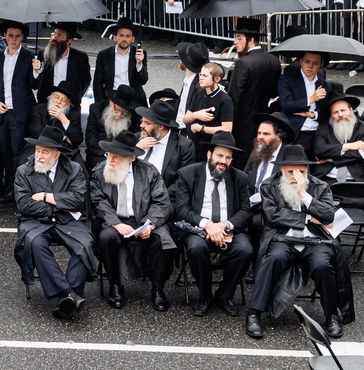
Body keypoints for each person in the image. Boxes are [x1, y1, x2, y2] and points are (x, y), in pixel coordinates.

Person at [245, 144, 343, 340]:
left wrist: (304, 195)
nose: (296, 177)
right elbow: (273, 215)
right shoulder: (269, 185)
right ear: (282, 169)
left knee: (323, 265)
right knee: (273, 258)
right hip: (283, 239)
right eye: (291, 172)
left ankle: (332, 315)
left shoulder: (320, 186)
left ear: (306, 170)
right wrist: (308, 218)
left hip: (314, 241)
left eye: (301, 172)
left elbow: (328, 215)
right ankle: (254, 313)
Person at [14, 125, 95, 320]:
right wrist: (58, 206)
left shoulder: (73, 169)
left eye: (45, 152)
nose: (39, 156)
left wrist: (45, 196)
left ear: (57, 154)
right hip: (35, 222)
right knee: (35, 242)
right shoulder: (24, 170)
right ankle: (69, 294)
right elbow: (24, 205)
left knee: (85, 244)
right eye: (37, 150)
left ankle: (66, 301)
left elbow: (78, 200)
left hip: (68, 221)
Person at [172, 134, 255, 316]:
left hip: (228, 229)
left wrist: (224, 225)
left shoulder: (240, 178)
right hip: (198, 229)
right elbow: (182, 209)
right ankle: (205, 296)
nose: (223, 161)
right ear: (209, 154)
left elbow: (246, 211)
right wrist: (208, 224)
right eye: (220, 155)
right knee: (196, 247)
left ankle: (225, 294)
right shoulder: (188, 174)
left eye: (228, 157)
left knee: (245, 249)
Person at [91, 130, 174, 311]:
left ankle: (158, 287)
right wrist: (116, 223)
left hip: (144, 219)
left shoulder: (149, 171)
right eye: (109, 155)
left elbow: (161, 202)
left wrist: (150, 223)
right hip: (114, 221)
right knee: (106, 237)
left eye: (117, 156)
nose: (111, 160)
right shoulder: (99, 172)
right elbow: (98, 201)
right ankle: (115, 285)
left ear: (131, 158)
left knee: (164, 240)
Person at [0, 19, 37, 197]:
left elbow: (35, 85)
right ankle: (5, 185)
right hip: (2, 112)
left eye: (17, 36)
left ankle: (15, 187)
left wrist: (36, 71)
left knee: (17, 151)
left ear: (22, 37)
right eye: (11, 36)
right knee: (3, 152)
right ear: (5, 36)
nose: (14, 39)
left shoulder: (30, 56)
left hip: (20, 112)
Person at [226, 19, 281, 162]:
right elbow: (274, 93)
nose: (235, 42)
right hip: (265, 120)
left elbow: (234, 98)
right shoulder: (274, 60)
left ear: (250, 40)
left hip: (242, 125)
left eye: (239, 38)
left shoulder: (243, 63)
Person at [311, 93, 364, 181]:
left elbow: (361, 154)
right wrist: (347, 146)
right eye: (335, 112)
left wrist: (331, 159)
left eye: (343, 110)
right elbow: (319, 150)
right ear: (331, 114)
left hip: (357, 179)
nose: (340, 115)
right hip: (327, 178)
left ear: (351, 109)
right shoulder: (323, 128)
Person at [91, 17, 148, 113]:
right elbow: (97, 83)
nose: (124, 39)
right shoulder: (104, 55)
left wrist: (139, 64)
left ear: (132, 39)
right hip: (112, 96)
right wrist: (100, 104)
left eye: (128, 36)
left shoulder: (140, 54)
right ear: (115, 37)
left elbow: (143, 81)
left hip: (133, 97)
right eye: (121, 35)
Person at [276, 51, 330, 139]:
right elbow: (286, 105)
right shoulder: (287, 80)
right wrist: (311, 99)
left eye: (315, 63)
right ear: (301, 62)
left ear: (320, 65)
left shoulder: (325, 85)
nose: (310, 66)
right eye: (307, 62)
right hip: (296, 131)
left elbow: (328, 112)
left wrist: (313, 114)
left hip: (318, 133)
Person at [35, 21, 91, 103]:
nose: (54, 38)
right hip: (46, 101)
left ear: (68, 41)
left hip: (69, 103)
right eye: (54, 34)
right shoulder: (43, 54)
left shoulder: (80, 57)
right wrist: (36, 71)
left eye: (59, 36)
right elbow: (36, 82)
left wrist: (75, 97)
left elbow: (85, 81)